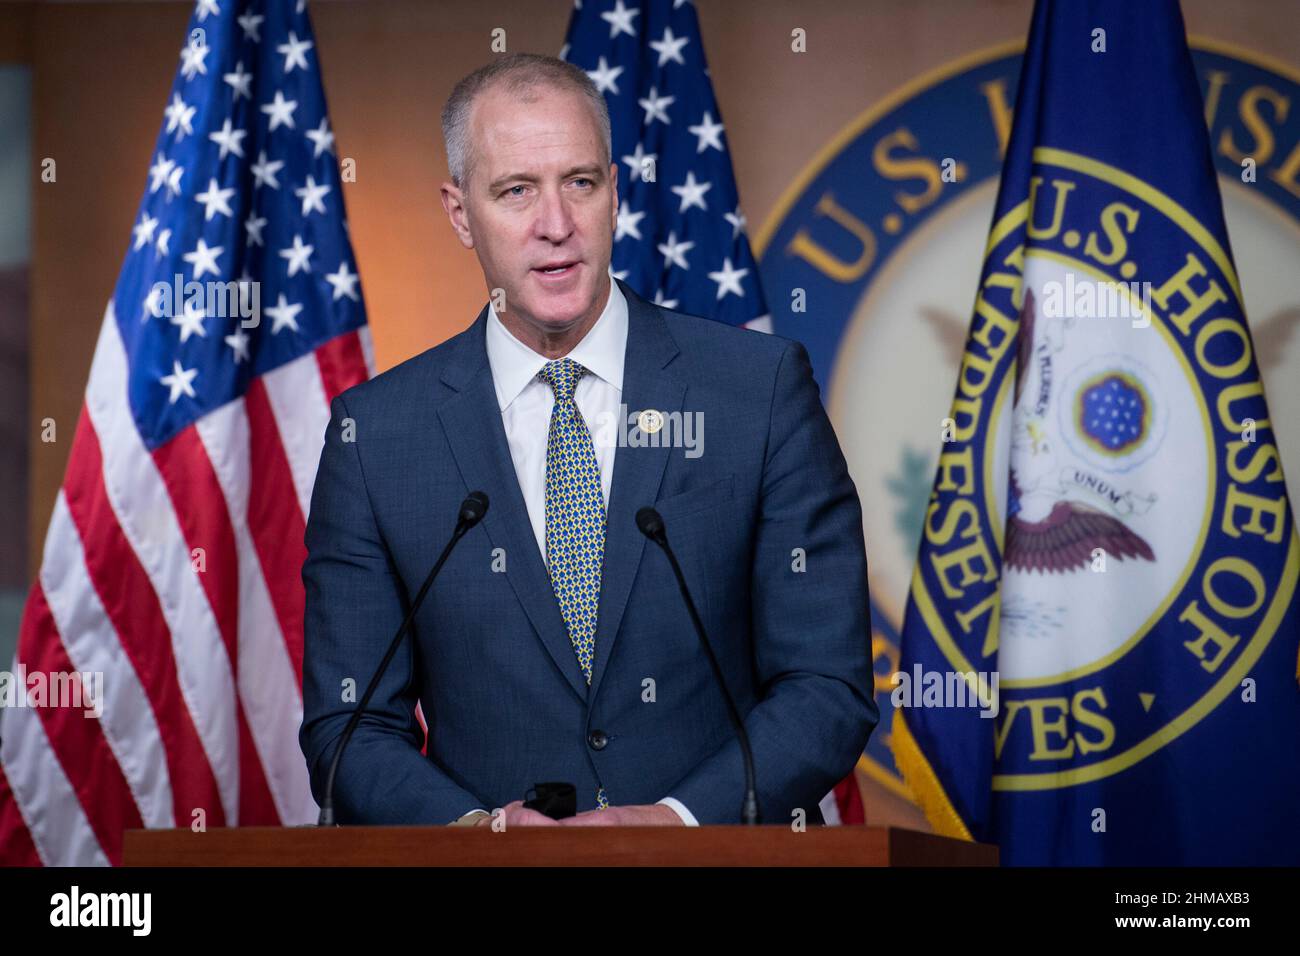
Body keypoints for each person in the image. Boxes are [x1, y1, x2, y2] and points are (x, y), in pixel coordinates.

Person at [299, 53, 877, 827]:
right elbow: (350, 725)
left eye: (580, 183)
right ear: (459, 211)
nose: (556, 225)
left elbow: (826, 684)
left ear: (616, 193)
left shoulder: (757, 391)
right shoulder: (377, 436)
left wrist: (676, 821)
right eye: (515, 191)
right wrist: (479, 834)